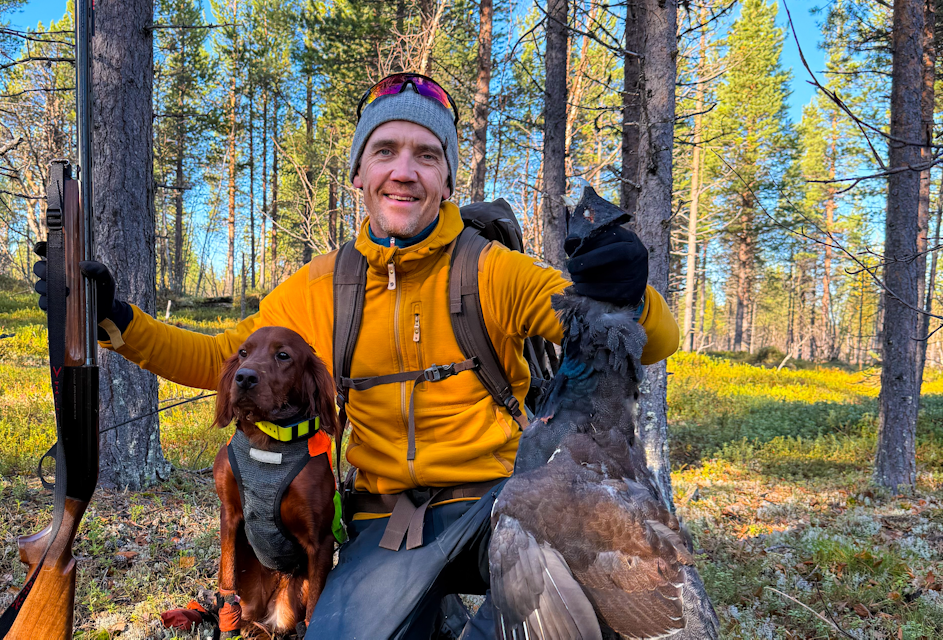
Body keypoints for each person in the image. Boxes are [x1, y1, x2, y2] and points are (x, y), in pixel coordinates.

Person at [36, 73, 680, 639]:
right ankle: (429, 606)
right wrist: (116, 319)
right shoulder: (321, 287)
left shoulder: (494, 272)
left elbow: (653, 340)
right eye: (385, 151)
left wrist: (624, 292)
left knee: (568, 582)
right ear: (359, 175)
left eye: (427, 155)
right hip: (387, 521)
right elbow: (222, 363)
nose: (405, 171)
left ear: (447, 179)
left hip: (498, 508)